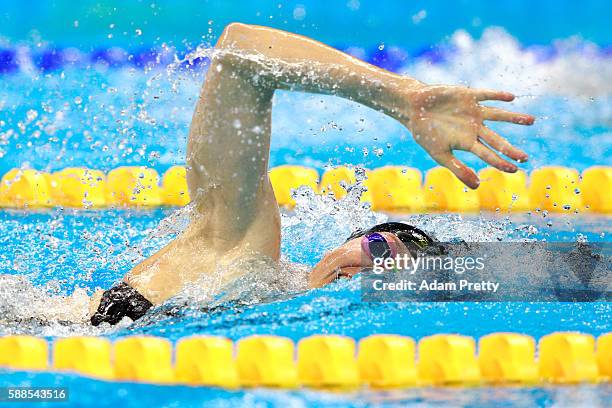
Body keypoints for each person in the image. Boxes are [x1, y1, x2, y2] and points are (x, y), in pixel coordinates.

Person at [90, 23, 534, 326]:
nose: (367, 271)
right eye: (377, 248)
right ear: (342, 243)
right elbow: (239, 51)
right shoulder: (244, 248)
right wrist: (402, 96)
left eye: (391, 276)